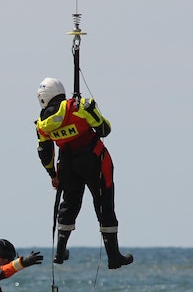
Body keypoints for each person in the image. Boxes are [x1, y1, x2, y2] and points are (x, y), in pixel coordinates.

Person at [34, 76, 133, 269]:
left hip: (67, 164)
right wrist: (90, 110)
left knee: (69, 204)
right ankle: (113, 256)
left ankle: (60, 253)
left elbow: (45, 152)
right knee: (104, 202)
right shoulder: (78, 107)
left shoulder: (41, 124)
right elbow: (104, 130)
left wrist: (52, 174)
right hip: (93, 160)